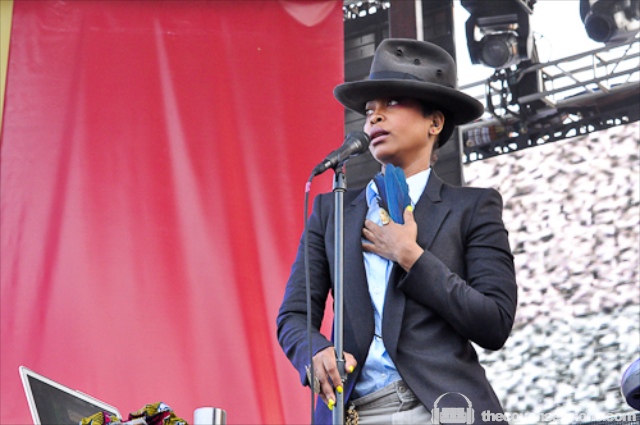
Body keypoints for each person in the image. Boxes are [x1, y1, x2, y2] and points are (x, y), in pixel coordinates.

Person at [277, 38, 517, 424]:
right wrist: (314, 352)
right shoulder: (330, 212)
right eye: (369, 110)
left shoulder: (473, 208)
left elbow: (495, 322)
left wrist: (411, 256)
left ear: (434, 122)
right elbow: (294, 315)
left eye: (391, 103)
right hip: (352, 412)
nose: (373, 118)